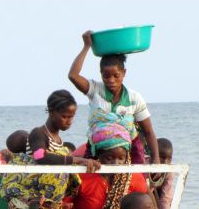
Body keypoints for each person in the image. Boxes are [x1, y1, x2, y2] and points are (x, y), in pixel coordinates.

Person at [68, 30, 159, 165]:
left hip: (129, 152)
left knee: (139, 183)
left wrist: (155, 159)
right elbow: (73, 76)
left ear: (124, 73)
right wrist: (86, 46)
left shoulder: (134, 98)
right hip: (98, 152)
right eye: (106, 76)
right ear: (101, 74)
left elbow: (148, 131)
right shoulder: (95, 90)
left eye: (116, 76)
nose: (111, 80)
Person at [64, 122, 147, 209]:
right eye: (109, 158)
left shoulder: (134, 178)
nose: (116, 164)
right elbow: (61, 208)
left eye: (121, 158)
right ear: (97, 155)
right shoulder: (81, 177)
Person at [152, 138, 175, 209]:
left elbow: (166, 194)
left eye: (169, 159)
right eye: (162, 158)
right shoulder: (146, 166)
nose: (165, 162)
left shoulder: (169, 172)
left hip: (158, 194)